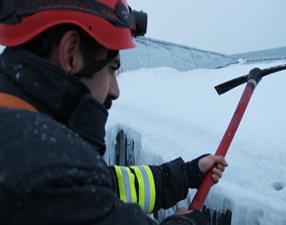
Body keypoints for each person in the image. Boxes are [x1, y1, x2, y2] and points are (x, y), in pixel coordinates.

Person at [0, 0, 228, 224]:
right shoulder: (44, 172)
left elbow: (106, 185)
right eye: (111, 69)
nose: (115, 90)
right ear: (71, 53)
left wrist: (184, 175)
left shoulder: (25, 134)